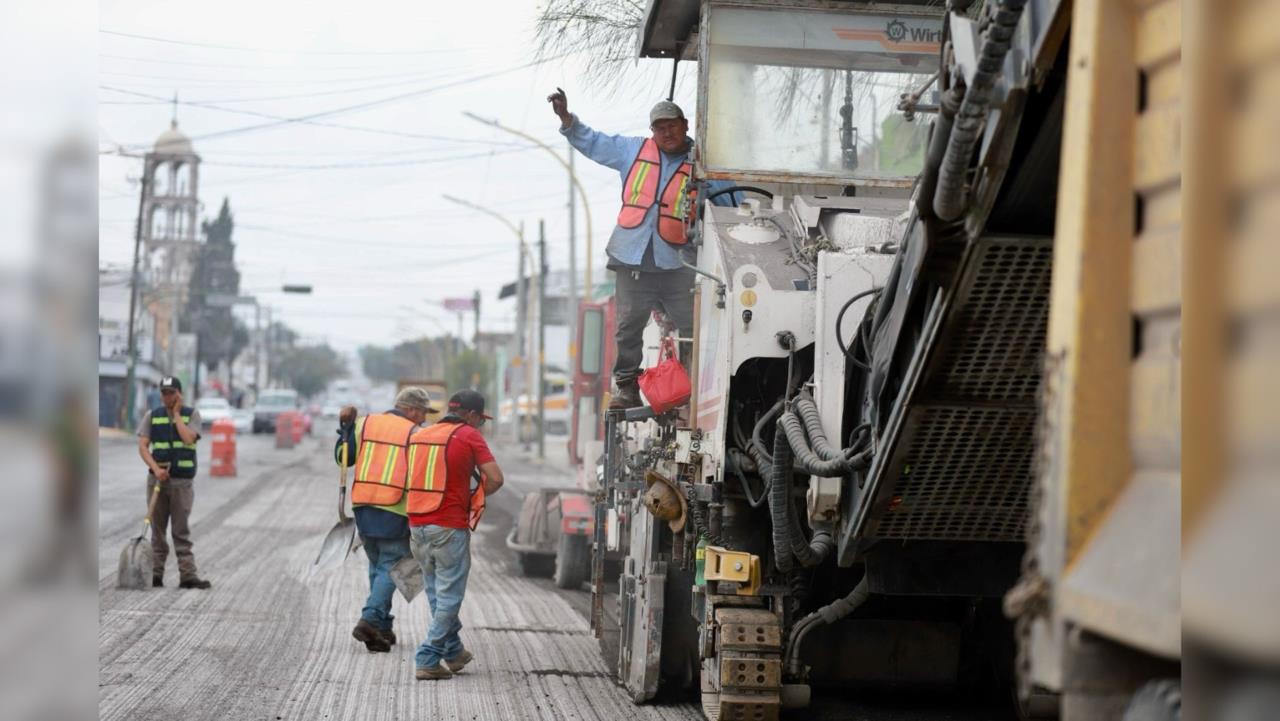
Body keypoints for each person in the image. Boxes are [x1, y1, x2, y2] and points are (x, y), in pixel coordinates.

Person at [549, 87, 741, 408]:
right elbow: (595, 142)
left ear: (685, 125)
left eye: (672, 125)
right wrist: (567, 119)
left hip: (677, 264)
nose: (667, 132)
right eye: (660, 127)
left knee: (692, 326)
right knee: (628, 327)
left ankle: (692, 385)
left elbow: (734, 203)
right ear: (652, 131)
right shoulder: (632, 150)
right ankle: (626, 388)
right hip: (632, 257)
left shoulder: (704, 165)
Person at [406, 389, 504, 680]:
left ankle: (453, 652)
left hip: (416, 524)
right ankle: (428, 656)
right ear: (471, 415)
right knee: (449, 596)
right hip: (448, 525)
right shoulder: (469, 435)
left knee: (436, 592)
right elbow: (496, 478)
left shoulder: (422, 434)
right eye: (480, 420)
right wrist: (476, 496)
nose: (480, 426)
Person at [335, 387, 437, 653]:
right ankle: (370, 619)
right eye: (423, 413)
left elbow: (341, 459)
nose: (424, 419)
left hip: (364, 506)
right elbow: (422, 474)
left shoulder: (365, 424)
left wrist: (345, 431)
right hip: (396, 508)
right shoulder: (415, 433)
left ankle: (382, 627)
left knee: (379, 567)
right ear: (412, 409)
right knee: (392, 565)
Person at [136, 376, 212, 589]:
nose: (166, 396)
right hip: (157, 480)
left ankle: (187, 575)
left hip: (181, 483)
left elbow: (188, 438)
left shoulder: (191, 414)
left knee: (180, 531)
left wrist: (177, 414)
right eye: (164, 392)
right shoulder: (152, 416)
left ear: (179, 394)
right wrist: (156, 468)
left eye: (171, 392)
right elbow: (142, 446)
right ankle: (155, 575)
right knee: (157, 532)